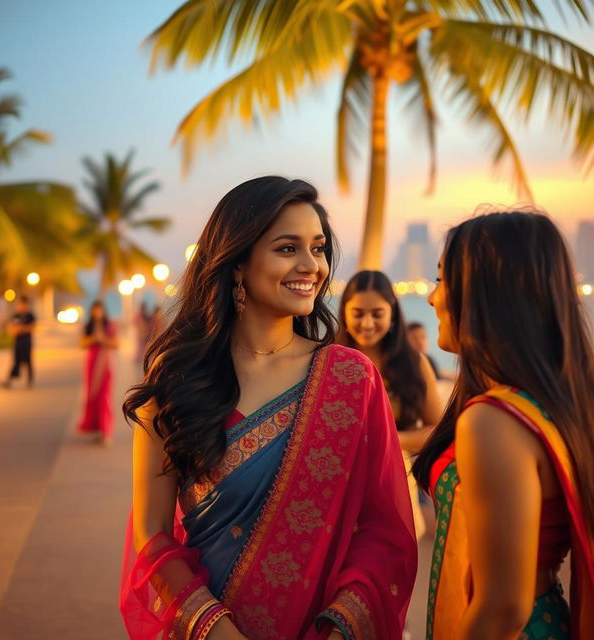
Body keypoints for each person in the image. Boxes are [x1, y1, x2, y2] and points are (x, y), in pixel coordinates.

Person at [120, 177, 417, 640]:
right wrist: (219, 631)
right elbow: (152, 534)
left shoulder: (350, 379)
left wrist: (338, 629)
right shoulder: (177, 378)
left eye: (318, 248)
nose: (310, 266)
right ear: (237, 262)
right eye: (287, 249)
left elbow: (384, 531)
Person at [412, 211, 594, 640]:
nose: (432, 299)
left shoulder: (493, 420)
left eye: (441, 280)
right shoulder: (554, 405)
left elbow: (502, 607)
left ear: (486, 294)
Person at [337, 271, 442, 543]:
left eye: (377, 313)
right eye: (358, 313)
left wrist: (387, 439)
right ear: (344, 312)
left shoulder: (413, 363)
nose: (367, 323)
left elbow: (439, 430)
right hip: (335, 487)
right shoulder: (328, 358)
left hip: (392, 482)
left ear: (393, 314)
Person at [77, 301, 118, 445]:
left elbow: (116, 344)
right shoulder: (88, 327)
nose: (98, 313)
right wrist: (93, 338)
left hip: (105, 364)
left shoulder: (110, 326)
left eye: (100, 310)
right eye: (95, 310)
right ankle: (97, 428)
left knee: (104, 396)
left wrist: (103, 339)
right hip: (92, 363)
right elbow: (82, 343)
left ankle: (106, 431)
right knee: (92, 395)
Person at [2, 295, 36, 389]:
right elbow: (10, 328)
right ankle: (9, 381)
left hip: (27, 342)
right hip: (17, 342)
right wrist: (18, 329)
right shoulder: (16, 315)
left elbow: (32, 327)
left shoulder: (30, 315)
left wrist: (22, 329)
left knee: (28, 362)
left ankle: (29, 381)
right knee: (15, 362)